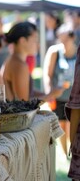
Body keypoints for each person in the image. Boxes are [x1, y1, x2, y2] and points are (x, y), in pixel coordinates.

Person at [0, 21, 63, 101]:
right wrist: (50, 96)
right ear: (23, 41)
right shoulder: (19, 65)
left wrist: (47, 95)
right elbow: (24, 104)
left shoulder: (14, 60)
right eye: (35, 40)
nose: (38, 44)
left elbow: (28, 92)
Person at [43, 23, 77, 157]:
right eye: (60, 39)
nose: (63, 43)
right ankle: (66, 154)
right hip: (60, 96)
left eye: (66, 39)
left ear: (72, 38)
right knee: (62, 125)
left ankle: (74, 152)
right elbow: (47, 74)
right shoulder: (54, 51)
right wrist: (50, 94)